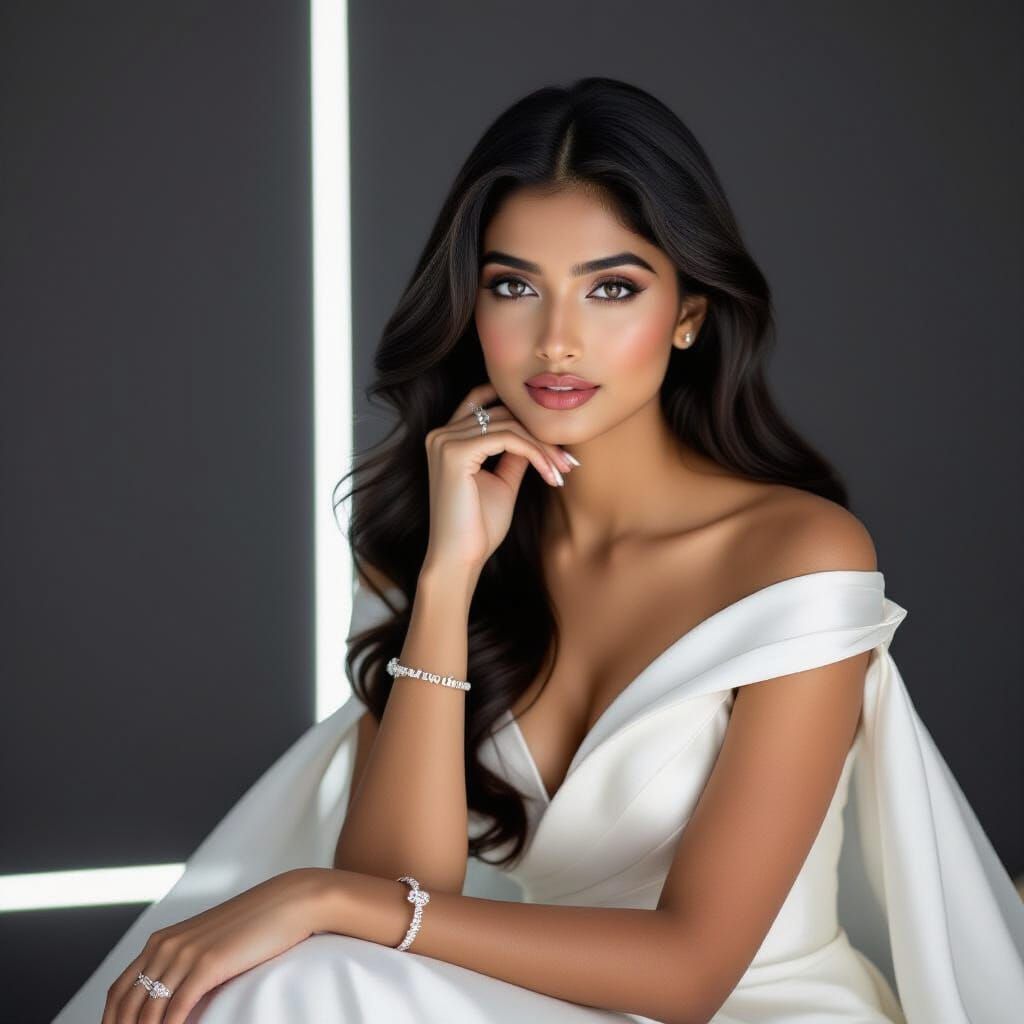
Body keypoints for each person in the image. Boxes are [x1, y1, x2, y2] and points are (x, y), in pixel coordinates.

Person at [57, 77, 1022, 1024]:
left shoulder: (795, 556)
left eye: (611, 288)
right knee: (294, 984)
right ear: (470, 309)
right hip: (534, 1002)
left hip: (752, 1007)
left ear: (688, 313)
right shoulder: (430, 541)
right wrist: (446, 581)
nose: (557, 342)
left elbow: (690, 974)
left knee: (298, 976)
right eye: (514, 285)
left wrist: (319, 896)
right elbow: (400, 890)